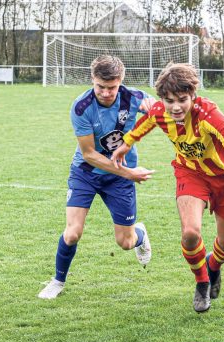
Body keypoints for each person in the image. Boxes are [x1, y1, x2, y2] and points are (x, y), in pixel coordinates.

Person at [111, 63, 224, 313]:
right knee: (190, 233)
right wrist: (126, 144)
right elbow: (146, 122)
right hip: (190, 174)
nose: (176, 107)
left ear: (193, 95)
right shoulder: (160, 111)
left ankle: (213, 267)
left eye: (182, 100)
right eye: (169, 101)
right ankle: (202, 282)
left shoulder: (208, 115)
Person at [38, 55, 155, 300]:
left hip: (119, 178)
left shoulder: (134, 98)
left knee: (125, 242)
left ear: (121, 81)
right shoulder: (81, 107)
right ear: (92, 79)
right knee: (72, 233)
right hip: (86, 173)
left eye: (112, 87)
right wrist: (130, 173)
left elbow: (163, 111)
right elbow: (89, 154)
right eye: (100, 86)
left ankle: (140, 235)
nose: (105, 93)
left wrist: (155, 108)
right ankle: (57, 281)